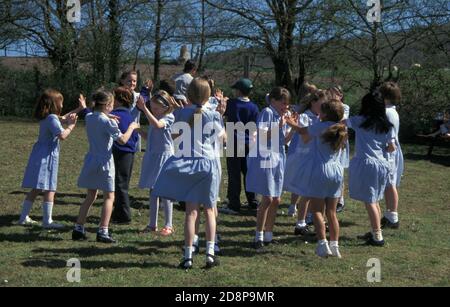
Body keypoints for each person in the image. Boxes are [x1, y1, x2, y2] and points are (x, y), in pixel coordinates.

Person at [153, 78, 226, 269]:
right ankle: (210, 253)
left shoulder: (180, 113)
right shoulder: (214, 115)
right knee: (210, 210)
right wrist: (221, 115)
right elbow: (223, 139)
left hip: (188, 162)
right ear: (208, 95)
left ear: (188, 94)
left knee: (191, 213)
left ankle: (188, 256)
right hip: (208, 163)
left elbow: (175, 136)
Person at [72, 90, 140, 244]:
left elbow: (96, 116)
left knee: (90, 196)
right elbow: (122, 140)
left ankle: (78, 227)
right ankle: (103, 230)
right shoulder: (108, 122)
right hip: (105, 162)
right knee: (109, 196)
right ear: (108, 105)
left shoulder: (90, 117)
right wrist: (131, 127)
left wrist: (108, 116)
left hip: (91, 159)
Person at [286, 100, 347, 258]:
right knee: (332, 212)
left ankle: (322, 244)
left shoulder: (320, 126)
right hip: (337, 171)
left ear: (325, 114)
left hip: (320, 169)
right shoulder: (342, 129)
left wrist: (290, 122)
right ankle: (335, 245)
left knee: (317, 210)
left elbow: (302, 131)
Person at [19, 89, 79, 229]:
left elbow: (63, 117)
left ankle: (23, 218)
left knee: (36, 188)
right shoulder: (52, 118)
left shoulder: (48, 116)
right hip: (47, 157)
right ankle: (47, 221)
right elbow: (62, 135)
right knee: (50, 188)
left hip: (40, 154)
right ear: (55, 104)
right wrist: (71, 126)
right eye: (61, 102)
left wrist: (79, 109)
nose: (63, 105)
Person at [347, 93, 397, 247]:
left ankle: (377, 236)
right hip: (382, 164)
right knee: (375, 200)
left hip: (367, 164)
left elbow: (341, 121)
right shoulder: (387, 125)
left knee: (370, 201)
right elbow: (391, 147)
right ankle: (376, 231)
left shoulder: (359, 121)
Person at [246, 87, 290, 251]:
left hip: (278, 158)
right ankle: (258, 236)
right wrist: (279, 126)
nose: (285, 106)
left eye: (287, 104)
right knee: (268, 199)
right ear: (273, 101)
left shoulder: (280, 116)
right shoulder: (267, 112)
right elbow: (263, 137)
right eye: (283, 103)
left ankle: (269, 235)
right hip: (266, 158)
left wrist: (293, 128)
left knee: (276, 199)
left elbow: (284, 141)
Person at [284, 90, 326, 235]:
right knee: (305, 191)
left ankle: (308, 219)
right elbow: (305, 138)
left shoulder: (320, 118)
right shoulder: (304, 117)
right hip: (303, 158)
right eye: (322, 103)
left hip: (314, 159)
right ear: (313, 103)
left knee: (311, 192)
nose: (324, 106)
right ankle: (301, 222)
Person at [138, 90, 178, 236]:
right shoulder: (155, 117)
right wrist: (139, 131)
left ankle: (169, 225)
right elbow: (152, 136)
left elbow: (158, 126)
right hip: (153, 156)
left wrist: (145, 109)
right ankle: (152, 224)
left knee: (165, 191)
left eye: (156, 108)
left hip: (164, 156)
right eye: (152, 107)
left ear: (165, 107)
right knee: (153, 190)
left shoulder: (169, 117)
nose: (153, 110)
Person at [221, 78, 260, 214]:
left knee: (234, 174)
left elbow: (221, 112)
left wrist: (222, 100)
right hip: (249, 142)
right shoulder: (254, 107)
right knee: (248, 173)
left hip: (234, 141)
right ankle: (253, 201)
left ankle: (234, 204)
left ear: (238, 91)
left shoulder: (232, 104)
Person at [110, 87, 140, 224]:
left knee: (120, 183)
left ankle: (124, 215)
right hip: (129, 152)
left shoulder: (116, 116)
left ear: (118, 100)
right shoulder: (129, 115)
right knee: (123, 183)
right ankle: (118, 212)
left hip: (120, 151)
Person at [379, 82, 404, 229]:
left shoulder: (388, 112)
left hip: (389, 151)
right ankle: (390, 214)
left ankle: (393, 216)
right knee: (390, 183)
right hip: (391, 150)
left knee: (390, 183)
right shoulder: (391, 110)